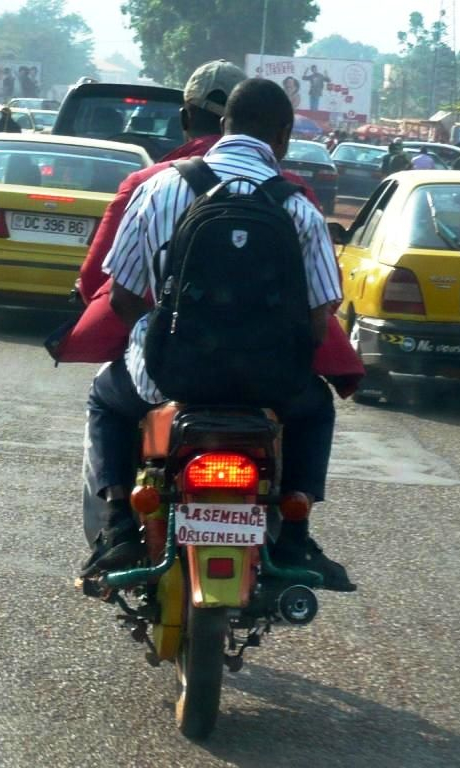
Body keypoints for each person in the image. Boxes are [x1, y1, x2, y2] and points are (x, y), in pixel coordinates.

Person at [82, 77, 355, 591]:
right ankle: (295, 534)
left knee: (106, 397)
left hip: (171, 378)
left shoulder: (159, 188)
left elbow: (120, 298)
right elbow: (319, 322)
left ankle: (118, 526)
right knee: (316, 406)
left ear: (222, 125)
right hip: (270, 385)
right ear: (284, 137)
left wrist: (159, 331)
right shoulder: (299, 207)